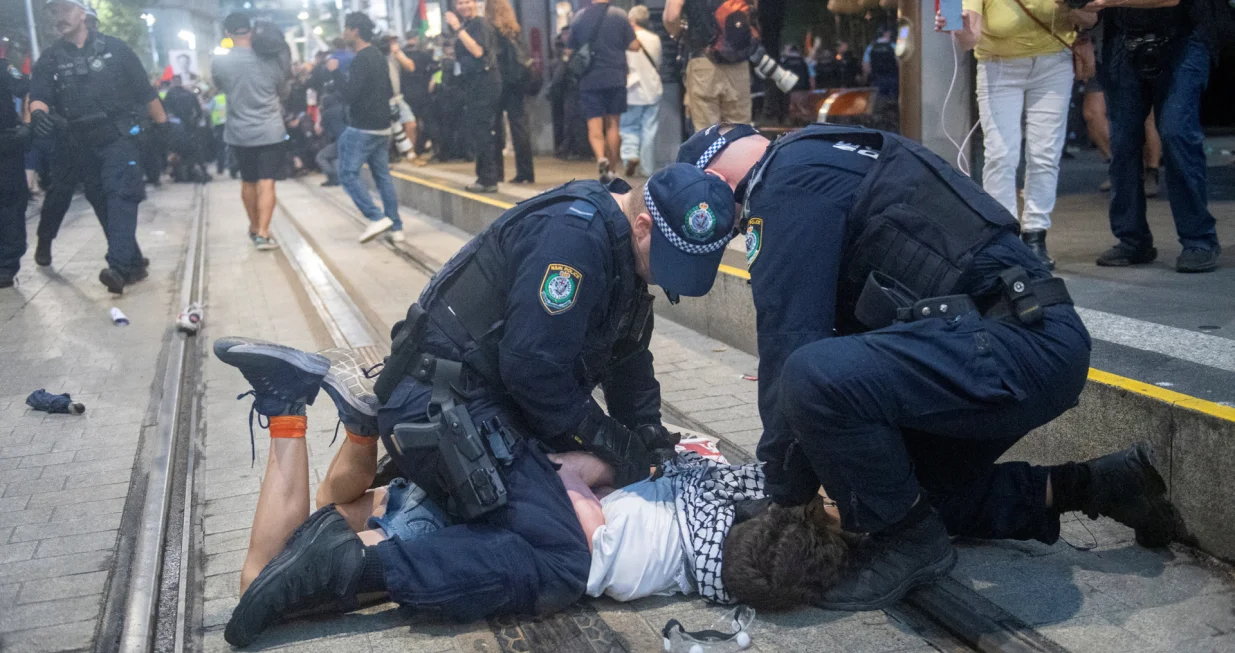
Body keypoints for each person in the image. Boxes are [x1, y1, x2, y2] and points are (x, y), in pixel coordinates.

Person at [214, 163, 737, 647]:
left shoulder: (619, 244)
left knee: (549, 487)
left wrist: (646, 436)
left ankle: (358, 439)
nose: (670, 279)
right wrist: (613, 445)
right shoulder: (574, 240)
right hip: (448, 405)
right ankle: (346, 568)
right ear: (643, 224)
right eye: (669, 262)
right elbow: (536, 374)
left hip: (470, 399)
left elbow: (627, 356)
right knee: (563, 558)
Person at [675, 123, 1181, 610]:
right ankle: (1102, 485)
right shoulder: (830, 154)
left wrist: (782, 496)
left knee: (808, 375)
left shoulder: (781, 183)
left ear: (720, 186)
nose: (743, 227)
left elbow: (789, 341)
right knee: (891, 489)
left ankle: (909, 544)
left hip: (1015, 344)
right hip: (1016, 344)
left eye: (737, 222)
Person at [939, 0, 1097, 271]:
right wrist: (960, 28)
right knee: (1001, 155)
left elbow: (1090, 19)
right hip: (998, 65)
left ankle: (1036, 235)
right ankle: (1003, 237)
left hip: (1054, 62)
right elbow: (969, 40)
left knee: (1044, 154)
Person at [28, 0, 167, 294]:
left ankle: (117, 266)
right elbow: (38, 93)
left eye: (65, 10)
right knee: (102, 200)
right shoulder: (51, 58)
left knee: (120, 193)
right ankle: (132, 262)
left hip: (118, 137)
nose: (59, 17)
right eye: (54, 12)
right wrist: (38, 112)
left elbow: (145, 91)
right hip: (79, 143)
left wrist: (163, 128)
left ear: (84, 13)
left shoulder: (116, 49)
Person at [1090, 0, 1221, 272]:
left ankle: (1199, 239)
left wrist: (1103, 1)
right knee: (1123, 142)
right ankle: (1132, 239)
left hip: (1185, 38)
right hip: (1122, 38)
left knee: (1176, 133)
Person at [212, 11, 290, 252]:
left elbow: (219, 86)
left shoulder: (221, 61)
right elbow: (283, 89)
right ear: (251, 30)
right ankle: (264, 234)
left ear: (227, 33)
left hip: (239, 131)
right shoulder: (270, 58)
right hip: (270, 129)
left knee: (248, 180)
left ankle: (254, 227)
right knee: (267, 182)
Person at [328, 13, 405, 244]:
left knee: (347, 174)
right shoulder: (379, 56)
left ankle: (376, 216)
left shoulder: (361, 59)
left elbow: (351, 94)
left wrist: (334, 72)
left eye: (347, 29)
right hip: (383, 126)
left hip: (364, 126)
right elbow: (389, 90)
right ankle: (396, 226)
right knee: (383, 177)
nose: (344, 34)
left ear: (356, 31)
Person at [568, 0, 638, 183]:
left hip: (590, 79)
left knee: (595, 125)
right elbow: (634, 46)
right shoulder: (620, 15)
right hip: (616, 77)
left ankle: (601, 158)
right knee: (613, 125)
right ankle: (612, 169)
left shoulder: (580, 17)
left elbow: (569, 49)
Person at [663, 0, 753, 130]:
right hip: (738, 61)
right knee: (738, 131)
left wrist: (679, 33)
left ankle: (715, 150)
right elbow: (752, 11)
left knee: (708, 133)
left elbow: (671, 17)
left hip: (703, 62)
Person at [445, 0, 502, 192]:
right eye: (460, 3)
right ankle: (486, 176)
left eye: (467, 1)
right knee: (479, 131)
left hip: (484, 83)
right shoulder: (469, 25)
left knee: (482, 130)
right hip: (473, 84)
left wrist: (457, 27)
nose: (463, 6)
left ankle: (488, 179)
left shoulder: (479, 24)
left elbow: (478, 51)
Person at [488, 0, 536, 184]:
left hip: (500, 84)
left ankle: (497, 172)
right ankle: (526, 173)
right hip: (517, 84)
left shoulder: (492, 32)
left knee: (495, 129)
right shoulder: (515, 30)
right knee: (519, 128)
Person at [620, 5, 662, 178]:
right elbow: (658, 63)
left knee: (629, 126)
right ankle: (647, 168)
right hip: (652, 88)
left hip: (632, 89)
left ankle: (630, 156)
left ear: (632, 20)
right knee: (649, 130)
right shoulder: (655, 39)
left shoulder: (626, 39)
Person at [0, 55, 30, 289]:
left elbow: (28, 88)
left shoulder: (3, 68)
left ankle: (6, 266)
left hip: (5, 145)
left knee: (10, 204)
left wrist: (28, 125)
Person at [386, 36, 418, 162]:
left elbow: (411, 67)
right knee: (388, 132)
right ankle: (387, 155)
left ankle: (410, 153)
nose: (393, 44)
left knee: (411, 124)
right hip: (383, 98)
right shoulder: (377, 56)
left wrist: (398, 53)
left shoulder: (396, 54)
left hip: (397, 97)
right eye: (390, 42)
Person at [863, 28, 899, 100]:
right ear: (886, 34)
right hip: (893, 77)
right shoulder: (893, 46)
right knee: (893, 100)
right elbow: (899, 62)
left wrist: (865, 78)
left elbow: (866, 66)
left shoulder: (871, 47)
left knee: (879, 100)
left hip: (877, 78)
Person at [206, 89, 230, 176]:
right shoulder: (229, 97)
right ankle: (231, 166)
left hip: (218, 126)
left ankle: (220, 168)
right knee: (231, 146)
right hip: (230, 124)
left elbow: (207, 109)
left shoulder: (215, 99)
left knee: (220, 148)